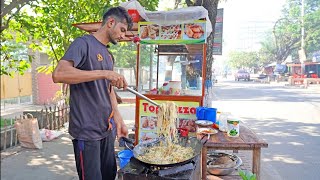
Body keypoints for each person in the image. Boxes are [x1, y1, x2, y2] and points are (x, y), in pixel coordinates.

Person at [52, 6, 133, 180]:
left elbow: (108, 89)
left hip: (106, 129)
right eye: (122, 30)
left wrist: (118, 119)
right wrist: (105, 73)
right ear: (111, 22)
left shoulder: (109, 55)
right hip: (86, 132)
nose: (123, 36)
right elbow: (59, 74)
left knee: (109, 175)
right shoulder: (83, 43)